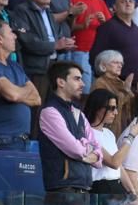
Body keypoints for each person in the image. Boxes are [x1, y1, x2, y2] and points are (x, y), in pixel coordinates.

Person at [38, 61, 103, 195]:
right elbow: (75, 149)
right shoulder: (50, 112)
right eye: (77, 79)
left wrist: (85, 150)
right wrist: (87, 149)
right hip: (62, 188)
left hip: (84, 187)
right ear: (61, 82)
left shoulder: (79, 113)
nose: (83, 84)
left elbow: (99, 156)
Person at [0, 19, 41, 150]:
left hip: (22, 139)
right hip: (1, 140)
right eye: (10, 33)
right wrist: (22, 92)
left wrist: (17, 94)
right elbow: (12, 95)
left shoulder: (15, 65)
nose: (15, 36)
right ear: (0, 39)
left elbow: (37, 98)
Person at [90, 0, 138, 83]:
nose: (128, 4)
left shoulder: (135, 28)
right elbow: (95, 56)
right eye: (123, 2)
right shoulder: (108, 27)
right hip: (116, 84)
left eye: (130, 1)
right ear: (115, 7)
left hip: (135, 85)